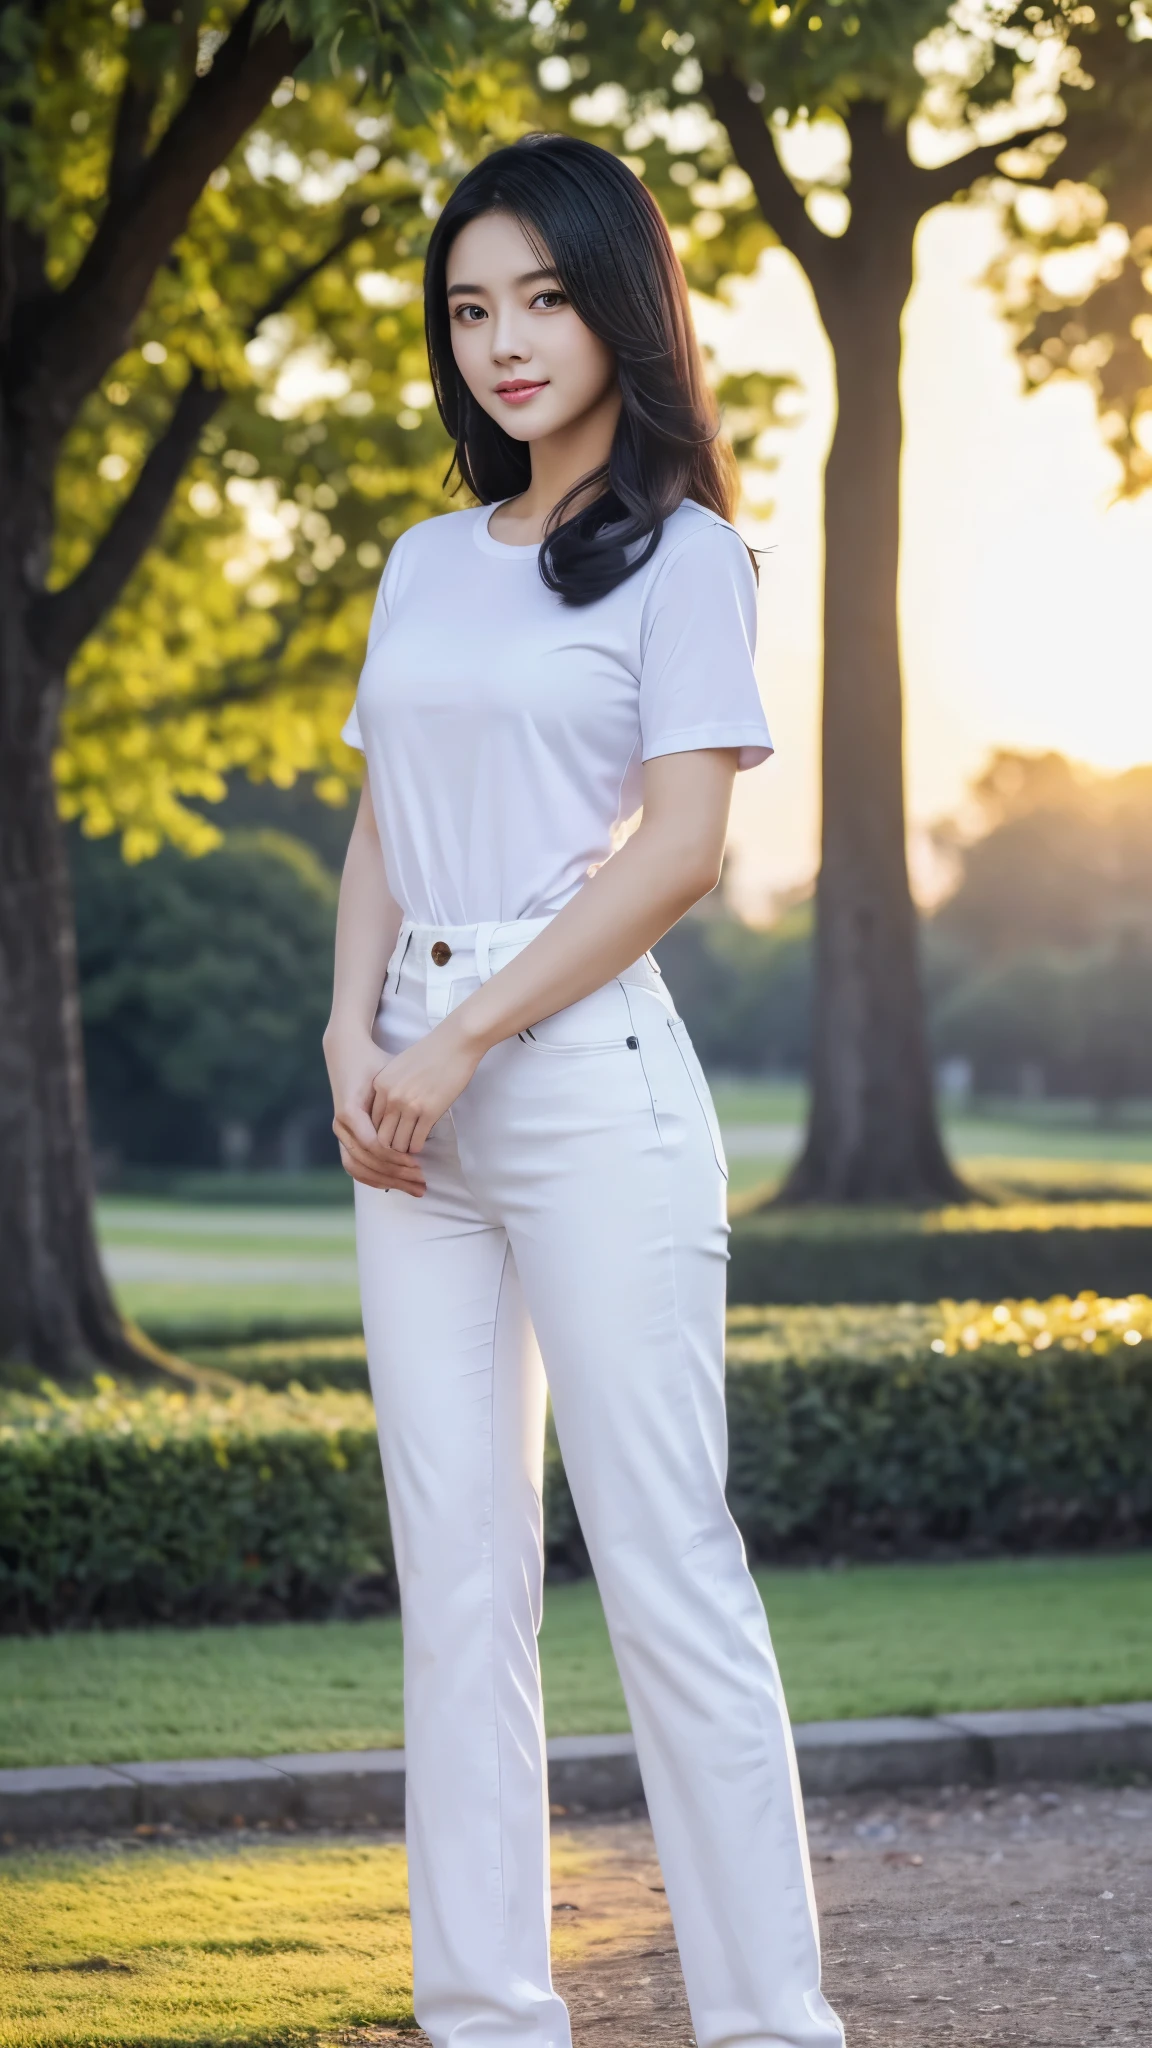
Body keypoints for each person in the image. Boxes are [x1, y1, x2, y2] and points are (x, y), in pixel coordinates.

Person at [325, 132, 844, 2048]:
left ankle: (773, 2025)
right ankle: (483, 2016)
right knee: (455, 1586)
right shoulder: (419, 561)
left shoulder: (692, 556)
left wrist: (459, 1038)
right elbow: (385, 817)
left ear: (623, 305)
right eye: (471, 308)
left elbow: (679, 855)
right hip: (410, 1114)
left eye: (544, 297)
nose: (505, 342)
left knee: (664, 1568)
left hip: (588, 1089)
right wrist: (349, 1035)